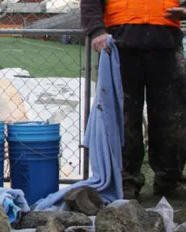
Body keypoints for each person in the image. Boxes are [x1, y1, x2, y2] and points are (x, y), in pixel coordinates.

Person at [80, 1, 186, 199]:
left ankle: (170, 180)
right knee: (124, 118)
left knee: (172, 118)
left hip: (166, 44)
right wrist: (96, 31)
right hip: (121, 44)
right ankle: (126, 180)